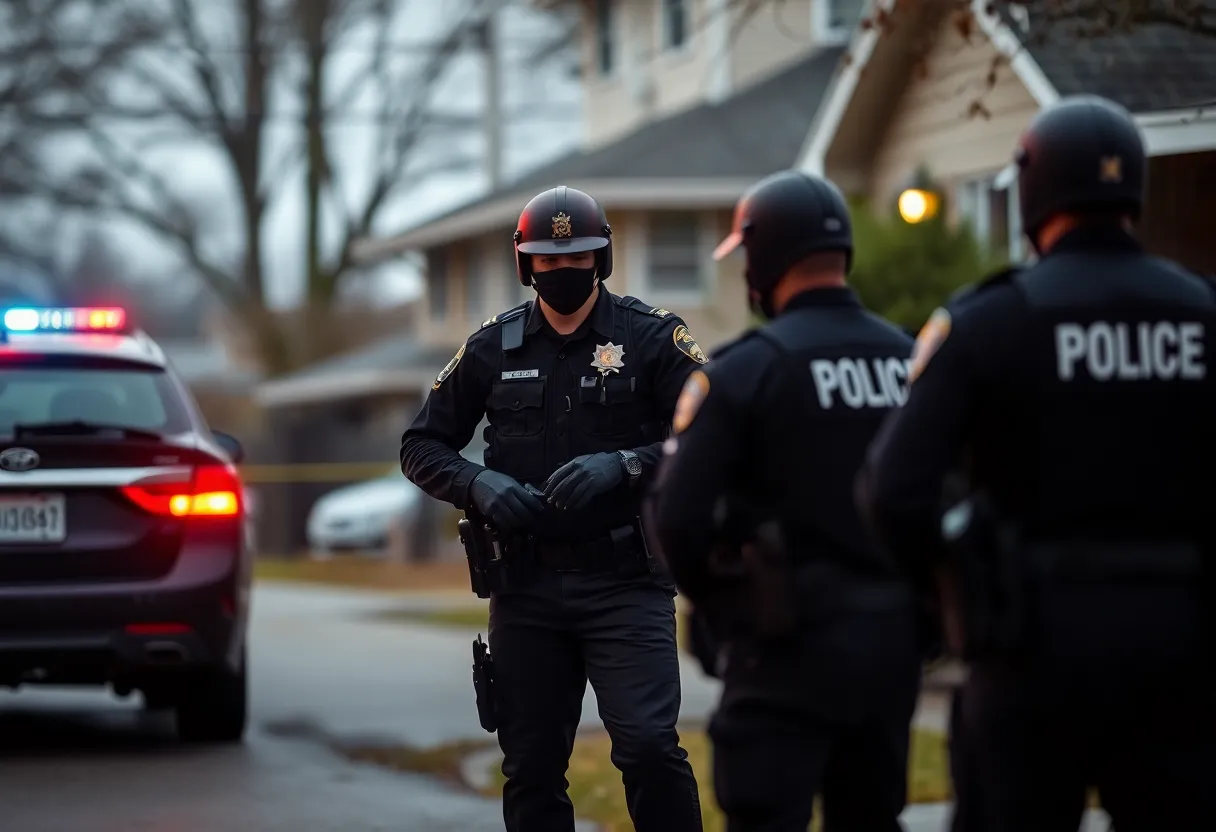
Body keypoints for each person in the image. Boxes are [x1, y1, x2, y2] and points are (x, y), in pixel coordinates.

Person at [857, 94, 1216, 832]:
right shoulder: (1202, 311)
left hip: (1032, 643)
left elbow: (894, 491)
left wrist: (949, 599)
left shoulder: (990, 320)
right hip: (1184, 644)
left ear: (1031, 189)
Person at [400, 185, 705, 832]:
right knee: (531, 768)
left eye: (578, 258)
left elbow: (710, 434)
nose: (563, 270)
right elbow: (420, 446)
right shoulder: (491, 348)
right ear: (525, 263)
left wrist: (625, 464)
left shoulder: (651, 337)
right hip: (526, 587)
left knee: (650, 749)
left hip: (626, 581)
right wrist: (477, 483)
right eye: (548, 260)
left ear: (602, 258)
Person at [644, 170, 923, 832]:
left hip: (782, 645)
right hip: (890, 644)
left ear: (763, 260)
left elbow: (676, 518)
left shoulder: (746, 369)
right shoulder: (912, 360)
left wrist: (725, 612)